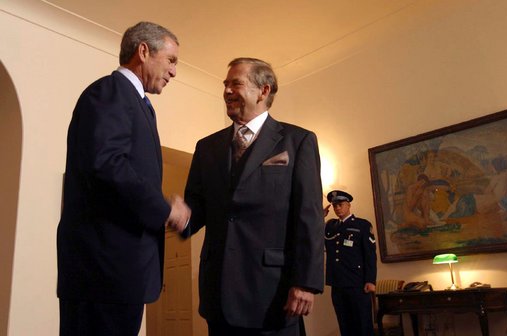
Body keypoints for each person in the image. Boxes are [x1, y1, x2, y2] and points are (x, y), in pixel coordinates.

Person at [57, 21, 190, 336]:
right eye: (171, 60)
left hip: (119, 274)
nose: (174, 72)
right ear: (143, 51)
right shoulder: (110, 91)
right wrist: (165, 209)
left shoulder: (140, 104)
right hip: (102, 274)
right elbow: (107, 164)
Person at [182, 57, 325, 336]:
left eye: (236, 83)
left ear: (264, 90)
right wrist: (172, 212)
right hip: (218, 296)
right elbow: (195, 209)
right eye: (225, 84)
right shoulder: (206, 147)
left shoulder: (298, 142)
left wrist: (306, 282)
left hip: (274, 294)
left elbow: (309, 217)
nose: (226, 91)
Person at [324, 190, 377, 336]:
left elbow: (370, 255)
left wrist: (370, 280)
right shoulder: (330, 226)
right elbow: (313, 237)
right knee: (345, 325)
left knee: (362, 325)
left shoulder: (362, 225)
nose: (337, 208)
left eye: (340, 205)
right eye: (334, 206)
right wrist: (318, 217)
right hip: (337, 283)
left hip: (357, 283)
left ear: (348, 205)